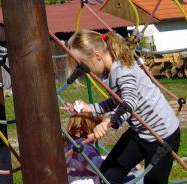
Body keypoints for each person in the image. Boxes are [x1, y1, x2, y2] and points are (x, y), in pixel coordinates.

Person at [69, 30, 180, 184]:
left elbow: (130, 102)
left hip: (161, 135)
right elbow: (117, 101)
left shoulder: (121, 70)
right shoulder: (110, 72)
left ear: (96, 55)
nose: (85, 71)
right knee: (108, 175)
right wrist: (90, 108)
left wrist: (107, 122)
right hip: (140, 132)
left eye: (83, 64)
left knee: (154, 181)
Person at [64, 112, 105, 184]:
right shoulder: (85, 147)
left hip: (69, 179)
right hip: (85, 180)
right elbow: (98, 167)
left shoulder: (67, 143)